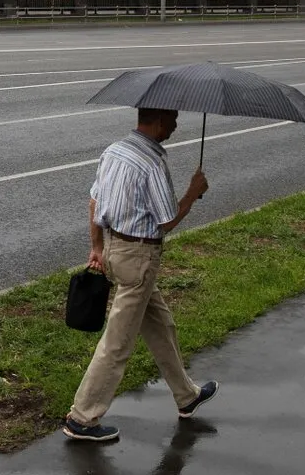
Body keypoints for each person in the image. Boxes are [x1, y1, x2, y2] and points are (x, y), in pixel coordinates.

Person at [64, 107, 217, 443]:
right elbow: (166, 221)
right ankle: (82, 418)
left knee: (161, 325)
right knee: (117, 343)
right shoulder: (152, 163)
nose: (176, 127)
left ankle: (186, 395)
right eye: (174, 121)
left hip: (114, 250)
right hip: (140, 257)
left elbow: (94, 202)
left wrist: (96, 248)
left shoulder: (114, 151)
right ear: (159, 121)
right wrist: (193, 192)